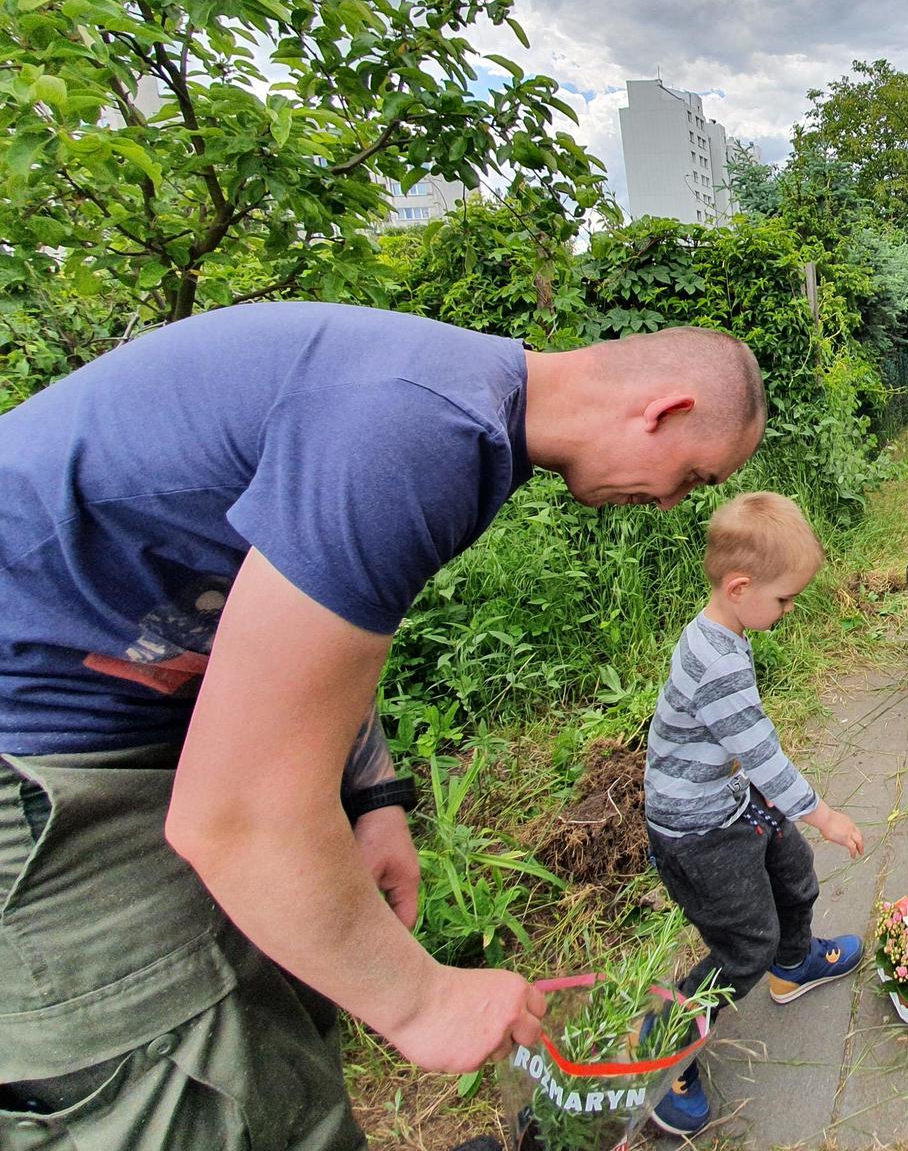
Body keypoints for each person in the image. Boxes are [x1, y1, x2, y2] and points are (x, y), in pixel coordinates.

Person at [0, 303, 766, 1147]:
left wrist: (372, 797)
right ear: (663, 412)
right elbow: (235, 819)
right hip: (38, 748)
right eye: (693, 477)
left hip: (140, 717)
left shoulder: (460, 409)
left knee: (280, 1020)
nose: (671, 504)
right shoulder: (420, 430)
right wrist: (422, 1000)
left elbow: (303, 634)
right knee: (191, 1079)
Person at [641, 491, 867, 1137]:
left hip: (728, 798)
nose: (789, 611)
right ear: (740, 588)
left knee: (793, 872)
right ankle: (664, 1045)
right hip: (696, 832)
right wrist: (824, 815)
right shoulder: (717, 663)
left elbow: (742, 752)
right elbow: (764, 757)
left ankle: (793, 966)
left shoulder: (725, 630)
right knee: (745, 945)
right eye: (784, 600)